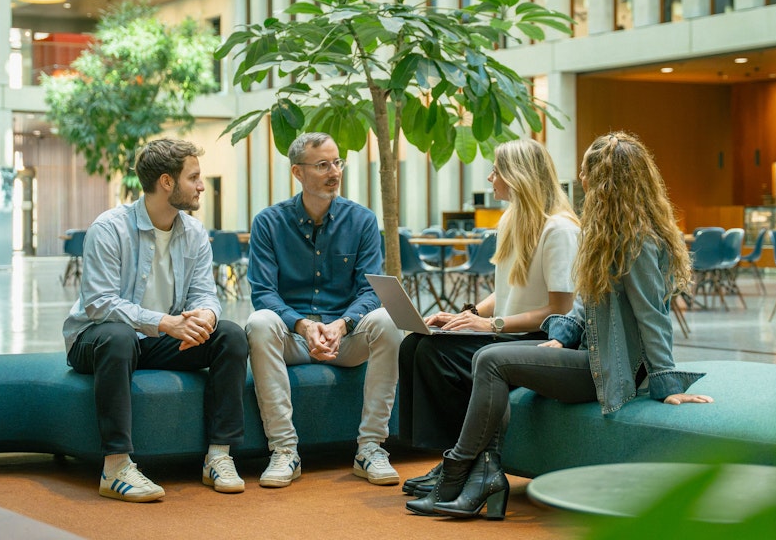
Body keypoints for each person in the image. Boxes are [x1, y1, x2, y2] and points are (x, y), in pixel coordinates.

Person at [406, 131, 714, 519]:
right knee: (488, 358)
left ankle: (457, 474)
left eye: (586, 170)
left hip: (608, 369)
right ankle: (478, 473)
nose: (580, 178)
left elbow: (653, 316)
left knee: (490, 360)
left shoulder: (639, 241)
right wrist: (561, 337)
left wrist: (666, 383)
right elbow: (585, 302)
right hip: (586, 355)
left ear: (603, 180)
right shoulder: (606, 233)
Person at [62, 138, 249, 502]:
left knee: (230, 335)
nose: (200, 186)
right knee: (118, 336)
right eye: (194, 177)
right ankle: (115, 467)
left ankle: (219, 457)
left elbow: (204, 293)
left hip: (163, 340)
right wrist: (165, 322)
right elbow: (100, 303)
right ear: (167, 182)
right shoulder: (109, 228)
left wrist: (207, 314)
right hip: (98, 340)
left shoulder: (194, 232)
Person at [399, 138, 580, 497]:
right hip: (506, 332)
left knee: (436, 356)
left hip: (539, 339)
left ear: (518, 176)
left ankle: (460, 463)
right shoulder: (513, 217)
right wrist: (466, 316)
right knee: (416, 345)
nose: (490, 177)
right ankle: (453, 459)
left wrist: (491, 325)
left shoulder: (560, 230)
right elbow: (508, 290)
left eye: (496, 170)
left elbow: (561, 310)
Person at [246, 132, 404, 488]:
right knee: (259, 322)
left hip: (344, 338)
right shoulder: (269, 223)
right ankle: (284, 451)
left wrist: (343, 325)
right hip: (293, 338)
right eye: (322, 165)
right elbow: (263, 293)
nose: (334, 172)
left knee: (388, 319)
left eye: (337, 162)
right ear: (298, 173)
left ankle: (371, 448)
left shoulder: (361, 220)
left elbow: (369, 291)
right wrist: (301, 325)